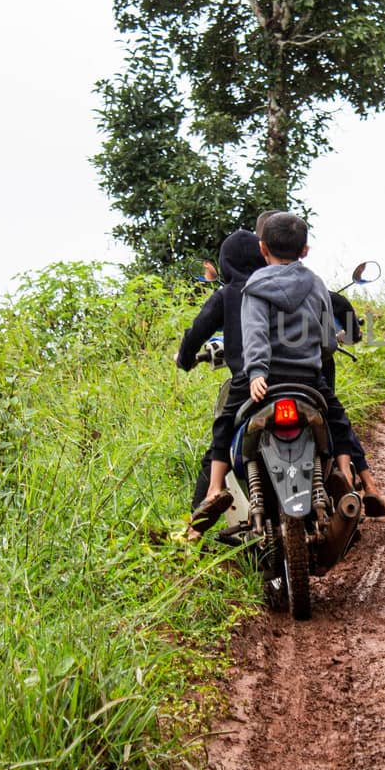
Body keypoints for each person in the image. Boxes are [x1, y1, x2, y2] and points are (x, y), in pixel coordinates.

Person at [242, 212, 385, 516]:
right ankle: (352, 477)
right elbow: (327, 341)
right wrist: (322, 350)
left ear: (262, 248)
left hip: (267, 383)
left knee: (237, 425)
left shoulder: (255, 285)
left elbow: (254, 332)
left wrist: (257, 371)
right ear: (305, 250)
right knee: (337, 421)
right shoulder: (316, 283)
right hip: (308, 380)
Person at [176, 227, 266, 539]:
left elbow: (197, 330)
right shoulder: (276, 285)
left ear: (224, 264)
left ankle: (194, 530)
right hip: (295, 376)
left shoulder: (227, 295)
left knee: (222, 436)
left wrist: (185, 358)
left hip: (248, 383)